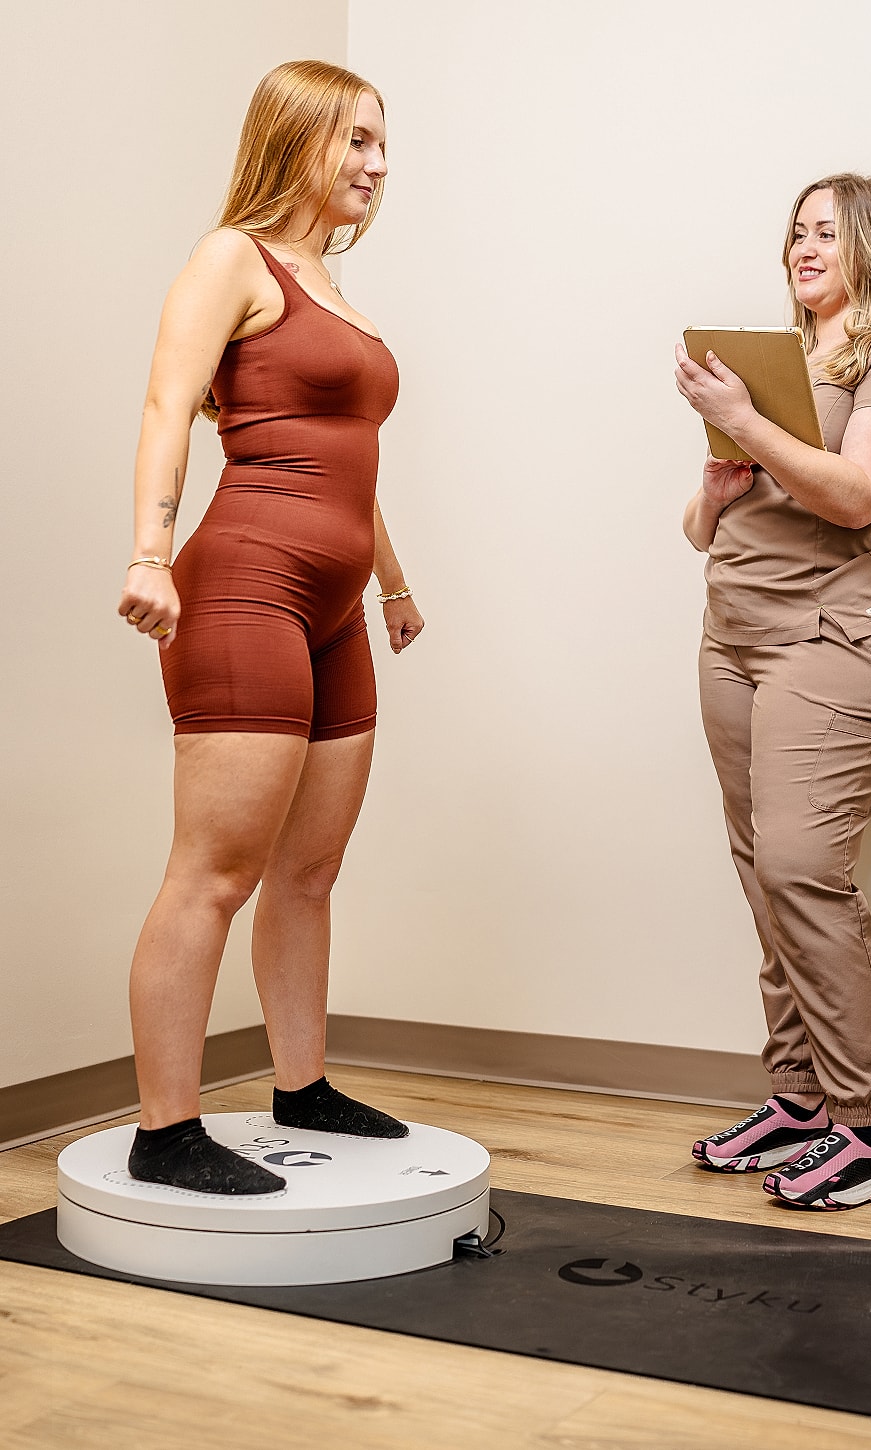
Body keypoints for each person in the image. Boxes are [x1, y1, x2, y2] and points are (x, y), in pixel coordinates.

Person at [116, 60, 422, 1195]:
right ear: (294, 140)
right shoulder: (228, 259)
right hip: (246, 586)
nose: (378, 164)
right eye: (357, 141)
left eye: (384, 143)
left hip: (336, 608)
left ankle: (303, 1084)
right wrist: (150, 555)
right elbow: (167, 404)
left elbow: (351, 460)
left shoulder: (328, 282)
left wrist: (392, 582)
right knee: (215, 870)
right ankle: (167, 1129)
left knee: (310, 871)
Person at [674, 174, 871, 1210]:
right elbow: (705, 530)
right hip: (736, 637)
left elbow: (857, 493)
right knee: (763, 872)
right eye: (795, 232)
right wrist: (714, 485)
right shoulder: (784, 365)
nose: (802, 247)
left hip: (842, 637)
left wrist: (744, 422)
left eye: (825, 232)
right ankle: (798, 1100)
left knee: (802, 866)